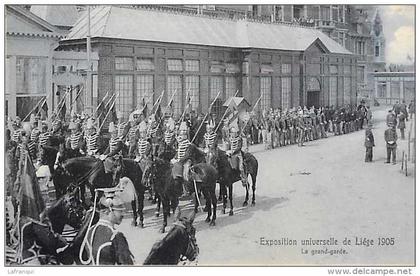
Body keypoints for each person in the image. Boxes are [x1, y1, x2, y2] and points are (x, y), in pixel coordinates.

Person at [84, 190, 134, 265]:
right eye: (119, 211)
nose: (123, 214)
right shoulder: (116, 236)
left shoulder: (90, 232)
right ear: (107, 211)